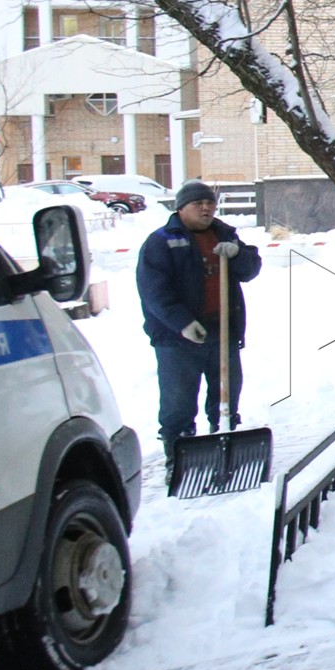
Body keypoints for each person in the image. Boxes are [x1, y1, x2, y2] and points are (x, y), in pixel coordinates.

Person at [136, 180, 262, 478]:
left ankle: (226, 446)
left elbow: (251, 269)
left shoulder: (225, 234)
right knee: (178, 400)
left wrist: (238, 255)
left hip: (222, 331)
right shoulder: (161, 241)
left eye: (210, 203)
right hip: (177, 338)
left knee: (227, 393)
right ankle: (177, 457)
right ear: (181, 208)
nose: (206, 208)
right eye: (198, 204)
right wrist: (183, 323)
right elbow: (154, 292)